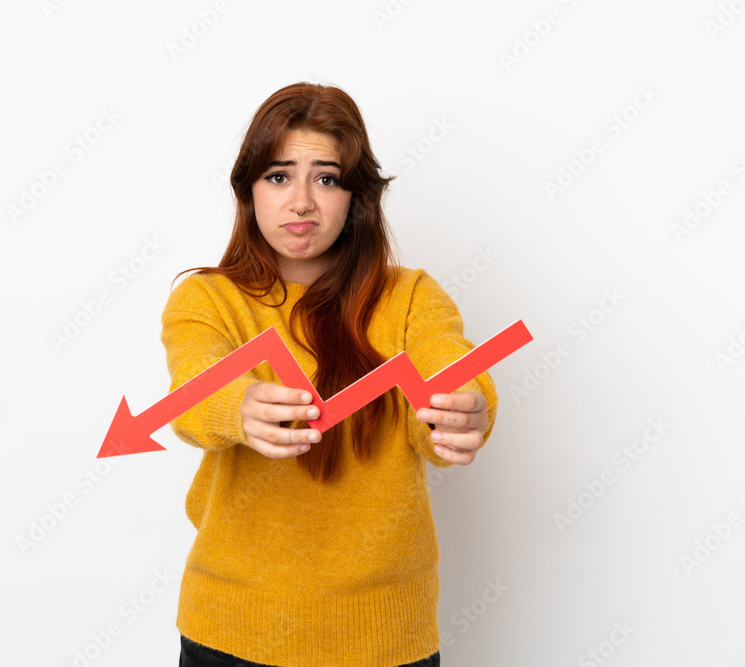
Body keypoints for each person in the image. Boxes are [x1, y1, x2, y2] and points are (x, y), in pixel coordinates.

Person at [162, 81, 498, 667]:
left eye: (326, 178)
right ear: (248, 191)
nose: (301, 202)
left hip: (386, 638)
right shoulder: (207, 298)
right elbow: (194, 388)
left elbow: (447, 361)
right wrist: (236, 407)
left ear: (355, 196)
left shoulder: (411, 296)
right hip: (231, 635)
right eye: (278, 176)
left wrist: (465, 406)